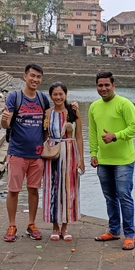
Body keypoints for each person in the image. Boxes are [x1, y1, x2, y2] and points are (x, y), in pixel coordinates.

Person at [88, 72, 135, 250]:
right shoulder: (94, 107)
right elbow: (93, 133)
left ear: (113, 85)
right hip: (103, 160)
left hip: (123, 160)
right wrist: (93, 153)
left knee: (124, 196)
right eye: (100, 85)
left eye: (106, 85)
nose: (103, 88)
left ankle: (129, 235)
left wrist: (115, 136)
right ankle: (114, 230)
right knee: (110, 197)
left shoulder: (124, 104)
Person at [1, 64, 51, 242]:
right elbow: (6, 125)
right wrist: (4, 121)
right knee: (13, 190)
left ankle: (31, 224)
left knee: (33, 190)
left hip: (36, 156)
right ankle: (12, 225)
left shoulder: (43, 99)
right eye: (32, 76)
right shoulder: (15, 97)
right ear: (25, 76)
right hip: (17, 153)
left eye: (38, 77)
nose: (35, 79)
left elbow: (47, 124)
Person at [43, 82, 84, 242]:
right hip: (53, 153)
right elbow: (44, 135)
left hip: (70, 152)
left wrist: (81, 159)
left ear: (65, 95)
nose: (58, 97)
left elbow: (79, 136)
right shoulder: (47, 113)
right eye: (55, 94)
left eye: (61, 94)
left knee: (69, 188)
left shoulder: (74, 112)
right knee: (52, 188)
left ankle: (65, 227)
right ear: (51, 96)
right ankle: (54, 227)